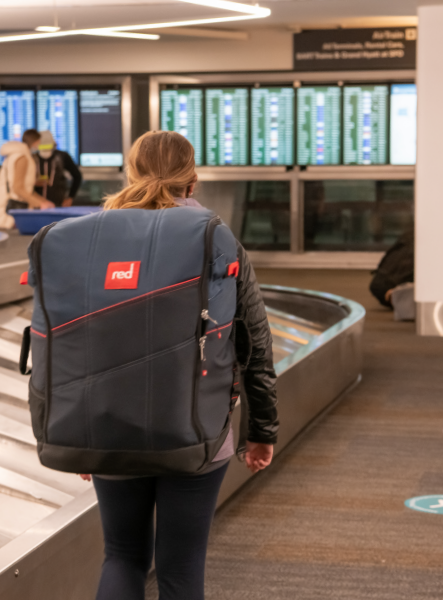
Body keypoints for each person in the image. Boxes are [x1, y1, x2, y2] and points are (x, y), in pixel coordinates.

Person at [79, 131, 279, 600]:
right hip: (197, 427)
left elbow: (76, 338)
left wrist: (83, 430)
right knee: (181, 566)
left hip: (110, 426)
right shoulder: (215, 235)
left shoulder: (88, 238)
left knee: (123, 554)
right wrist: (262, 429)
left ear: (131, 174)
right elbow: (254, 339)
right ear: (193, 181)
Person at [0, 129, 54, 230]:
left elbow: (26, 189)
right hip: (6, 216)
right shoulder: (22, 157)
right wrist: (40, 204)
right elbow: (18, 188)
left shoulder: (17, 155)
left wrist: (44, 201)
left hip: (6, 213)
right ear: (36, 142)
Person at [34, 130, 82, 207]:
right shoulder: (33, 158)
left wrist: (70, 197)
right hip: (37, 204)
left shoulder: (62, 157)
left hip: (58, 204)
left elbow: (77, 176)